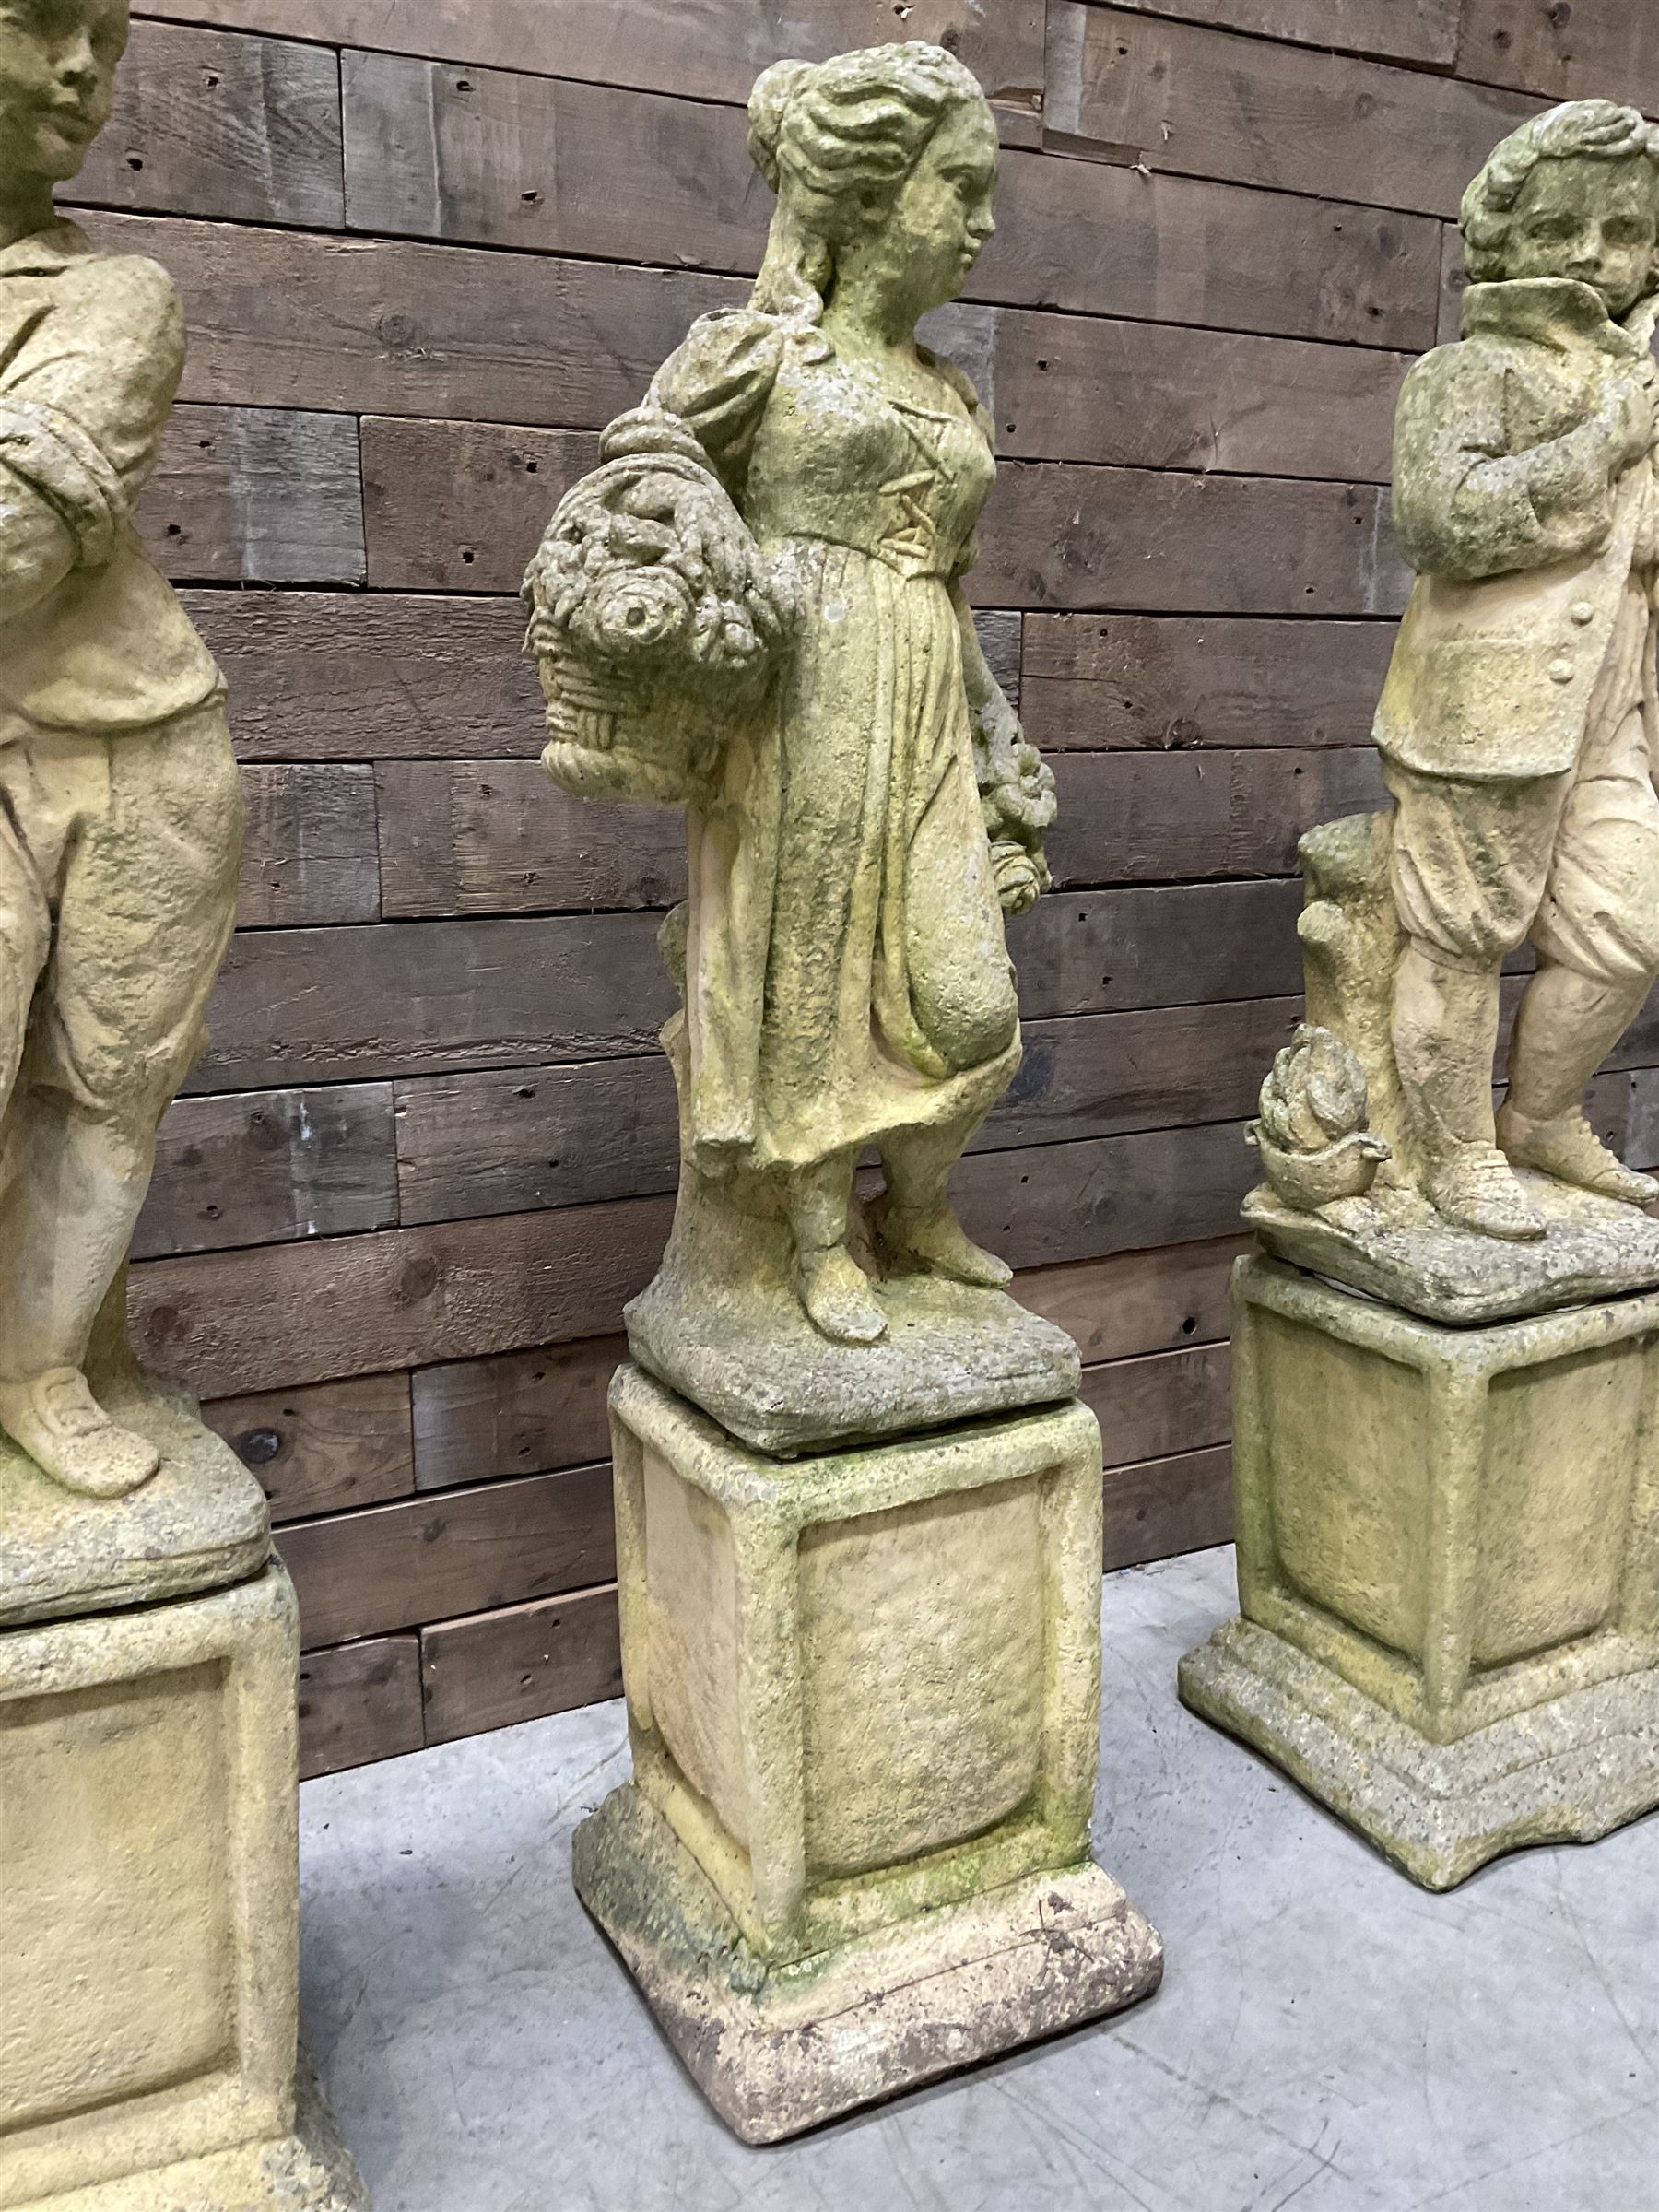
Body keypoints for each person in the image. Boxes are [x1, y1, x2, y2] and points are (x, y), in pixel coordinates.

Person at [559, 42, 1053, 1344]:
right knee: (808, 967)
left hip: (926, 698)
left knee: (970, 1003)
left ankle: (921, 1201)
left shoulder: (948, 386)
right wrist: (675, 595)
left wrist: (999, 734)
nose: (984, 224)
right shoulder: (755, 353)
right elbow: (641, 494)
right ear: (873, 198)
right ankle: (821, 1235)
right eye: (964, 188)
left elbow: (947, 582)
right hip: (801, 696)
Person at [0, 0, 243, 1491]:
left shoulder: (117, 301)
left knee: (108, 1087)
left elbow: (14, 544)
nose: (86, 68)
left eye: (108, 33)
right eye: (41, 22)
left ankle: (42, 1367)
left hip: (131, 748)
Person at [1378, 100, 1659, 1239]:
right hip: (1485, 712)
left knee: (1630, 926)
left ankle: (1539, 1115)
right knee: (1460, 933)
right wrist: (1607, 443)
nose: (1597, 256)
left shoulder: (1643, 376)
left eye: (1626, 229)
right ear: (1504, 241)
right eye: (1564, 228)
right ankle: (1455, 1154)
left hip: (1612, 707)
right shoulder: (1467, 371)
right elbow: (1443, 520)